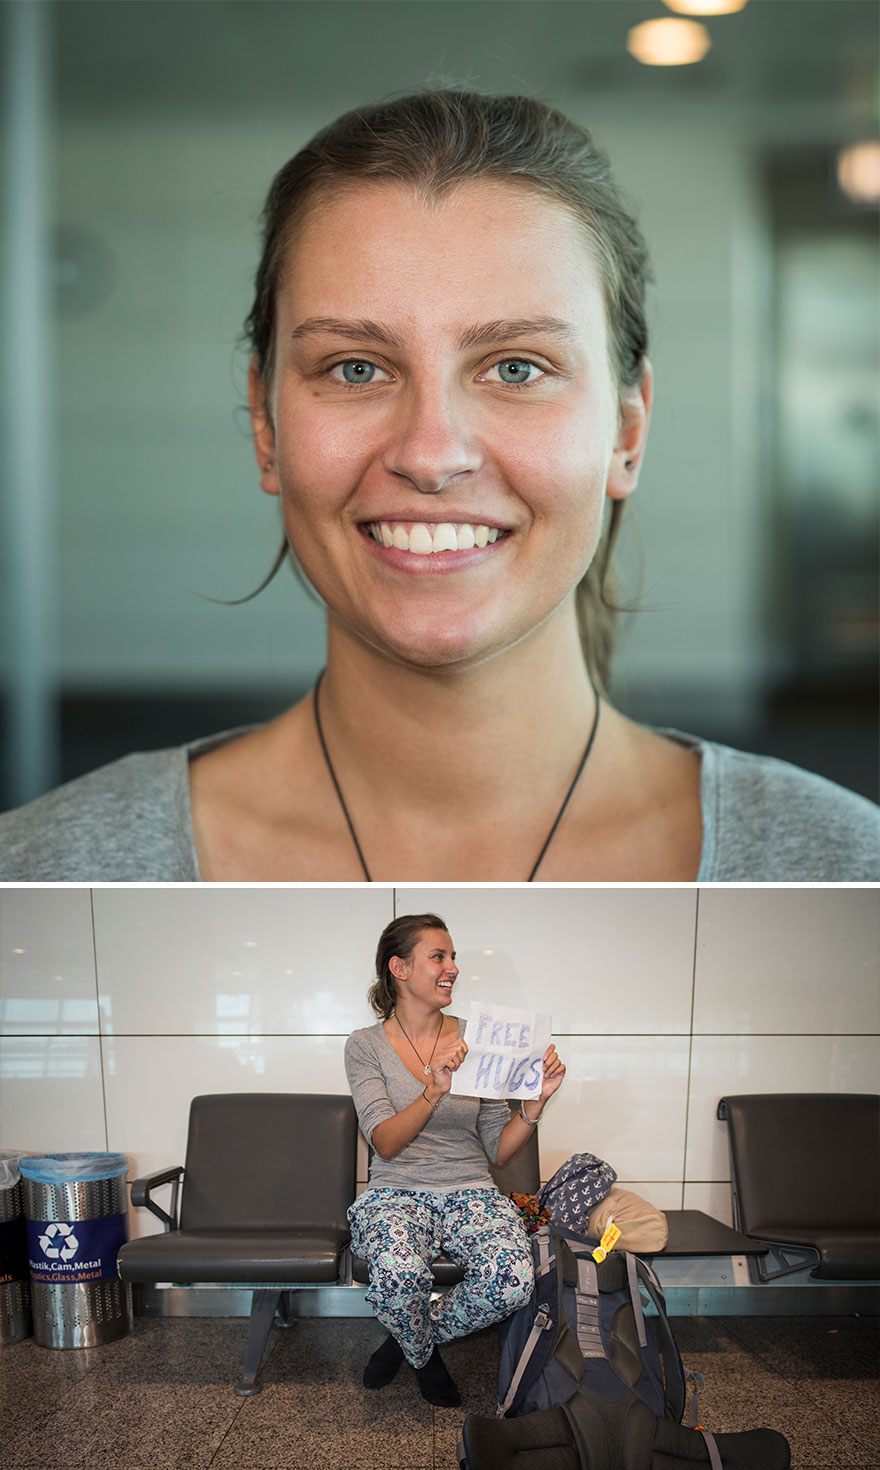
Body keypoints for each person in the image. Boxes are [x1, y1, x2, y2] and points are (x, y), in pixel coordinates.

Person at [1, 90, 877, 881]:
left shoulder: (842, 875)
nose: (430, 454)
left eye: (517, 367)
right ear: (266, 426)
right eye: (355, 368)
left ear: (628, 430)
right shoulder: (47, 877)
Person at [344, 912, 565, 1406]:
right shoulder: (364, 1046)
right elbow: (384, 1142)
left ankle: (408, 1342)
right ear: (400, 968)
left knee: (513, 1280)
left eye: (453, 957)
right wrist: (433, 1091)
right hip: (395, 1192)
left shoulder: (480, 1038)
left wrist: (534, 1105)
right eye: (438, 957)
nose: (453, 968)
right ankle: (425, 1359)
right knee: (398, 1276)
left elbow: (498, 1148)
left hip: (471, 1190)